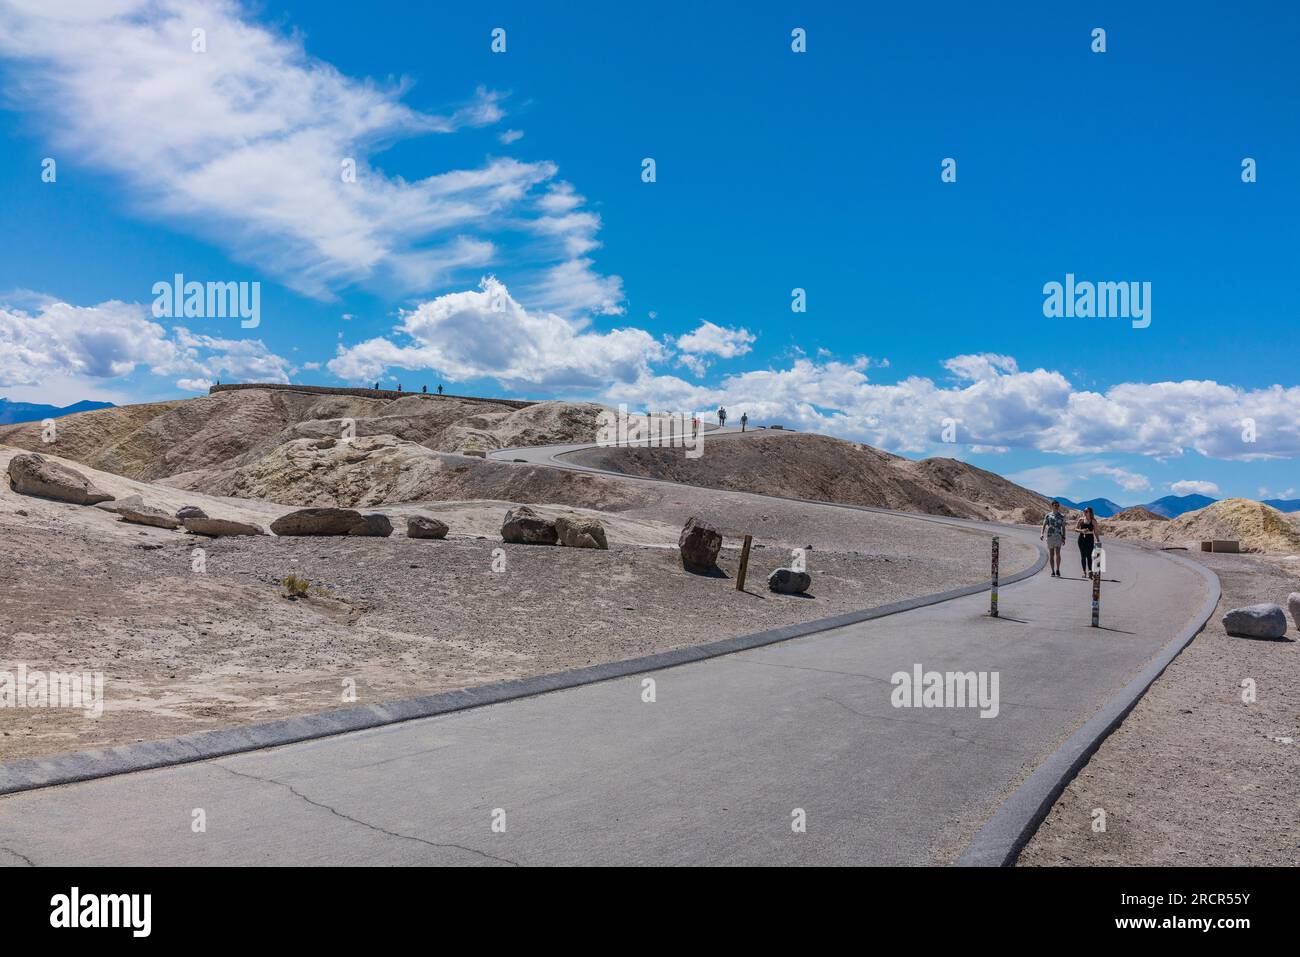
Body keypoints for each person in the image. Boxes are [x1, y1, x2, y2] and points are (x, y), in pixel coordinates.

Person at [1041, 501, 1066, 577]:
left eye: (1057, 505)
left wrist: (1064, 537)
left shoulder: (1062, 516)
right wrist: (1041, 534)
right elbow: (1044, 525)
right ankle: (1052, 571)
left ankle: (1058, 569)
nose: (1056, 507)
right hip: (1050, 536)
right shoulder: (1048, 515)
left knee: (1058, 553)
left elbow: (1063, 527)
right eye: (1055, 505)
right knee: (1051, 554)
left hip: (1058, 536)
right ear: (1052, 506)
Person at [1076, 507, 1100, 576]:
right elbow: (1076, 529)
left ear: (1090, 512)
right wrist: (1082, 530)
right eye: (1084, 511)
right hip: (1081, 539)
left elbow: (1096, 531)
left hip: (1090, 539)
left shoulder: (1093, 521)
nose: (1085, 512)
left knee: (1089, 555)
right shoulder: (1081, 520)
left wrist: (1098, 540)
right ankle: (1084, 572)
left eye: (1086, 511)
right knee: (1083, 556)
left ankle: (1090, 570)